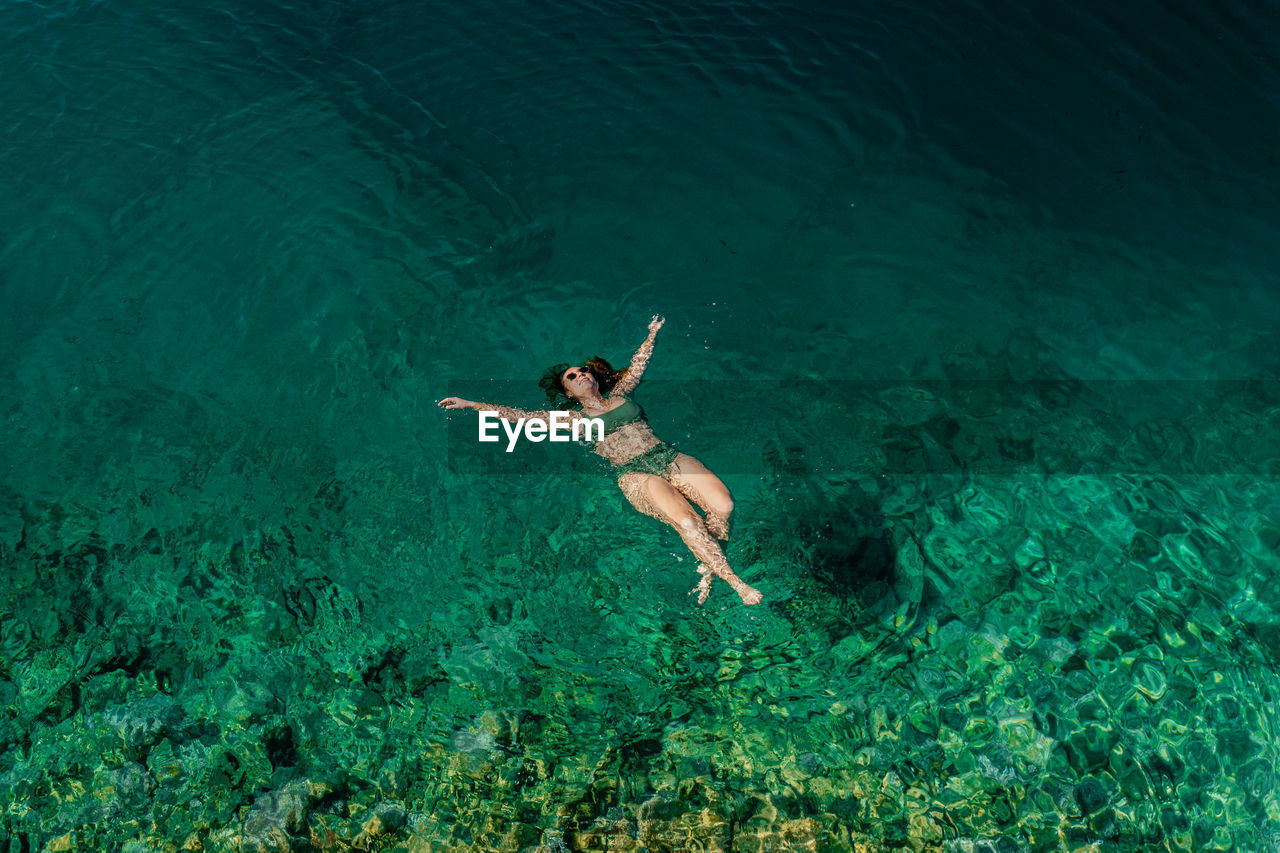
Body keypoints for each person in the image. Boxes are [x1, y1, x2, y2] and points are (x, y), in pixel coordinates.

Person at [438, 316, 762, 605]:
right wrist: (470, 404)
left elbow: (639, 365)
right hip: (635, 475)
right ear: (568, 393)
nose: (579, 374)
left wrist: (652, 334)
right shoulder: (570, 420)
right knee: (689, 522)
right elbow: (518, 416)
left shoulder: (622, 393)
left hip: (667, 457)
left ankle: (709, 563)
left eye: (581, 371)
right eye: (571, 376)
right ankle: (734, 581)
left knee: (724, 508)